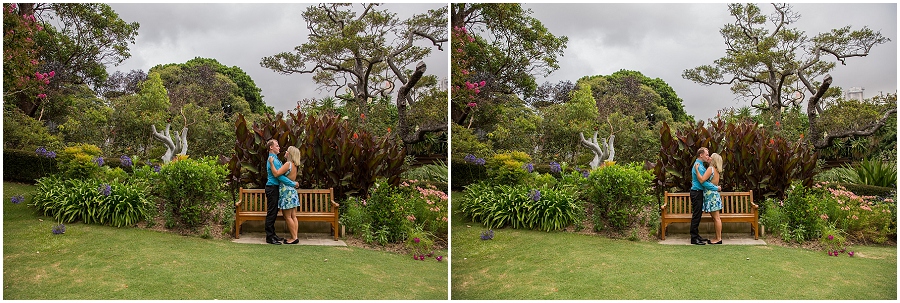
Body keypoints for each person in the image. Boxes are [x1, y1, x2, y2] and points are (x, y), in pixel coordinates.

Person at [265, 140, 299, 245]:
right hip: (272, 187)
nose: (279, 147)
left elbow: (280, 175)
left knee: (275, 213)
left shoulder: (276, 160)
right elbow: (279, 176)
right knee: (272, 213)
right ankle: (270, 237)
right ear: (271, 147)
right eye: (277, 145)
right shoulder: (273, 160)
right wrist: (293, 184)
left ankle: (275, 235)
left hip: (278, 188)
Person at [690, 147, 719, 245]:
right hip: (697, 192)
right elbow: (704, 183)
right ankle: (694, 238)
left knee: (698, 215)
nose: (708, 156)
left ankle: (696, 236)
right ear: (701, 155)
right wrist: (716, 188)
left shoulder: (701, 166)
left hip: (699, 192)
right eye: (706, 154)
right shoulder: (698, 165)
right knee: (696, 216)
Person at [698, 153, 724, 245]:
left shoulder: (710, 169)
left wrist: (697, 171)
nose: (709, 158)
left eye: (710, 157)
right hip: (714, 195)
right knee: (715, 217)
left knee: (716, 218)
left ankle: (719, 239)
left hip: (711, 196)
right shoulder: (716, 170)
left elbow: (702, 180)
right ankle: (717, 237)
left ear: (713, 160)